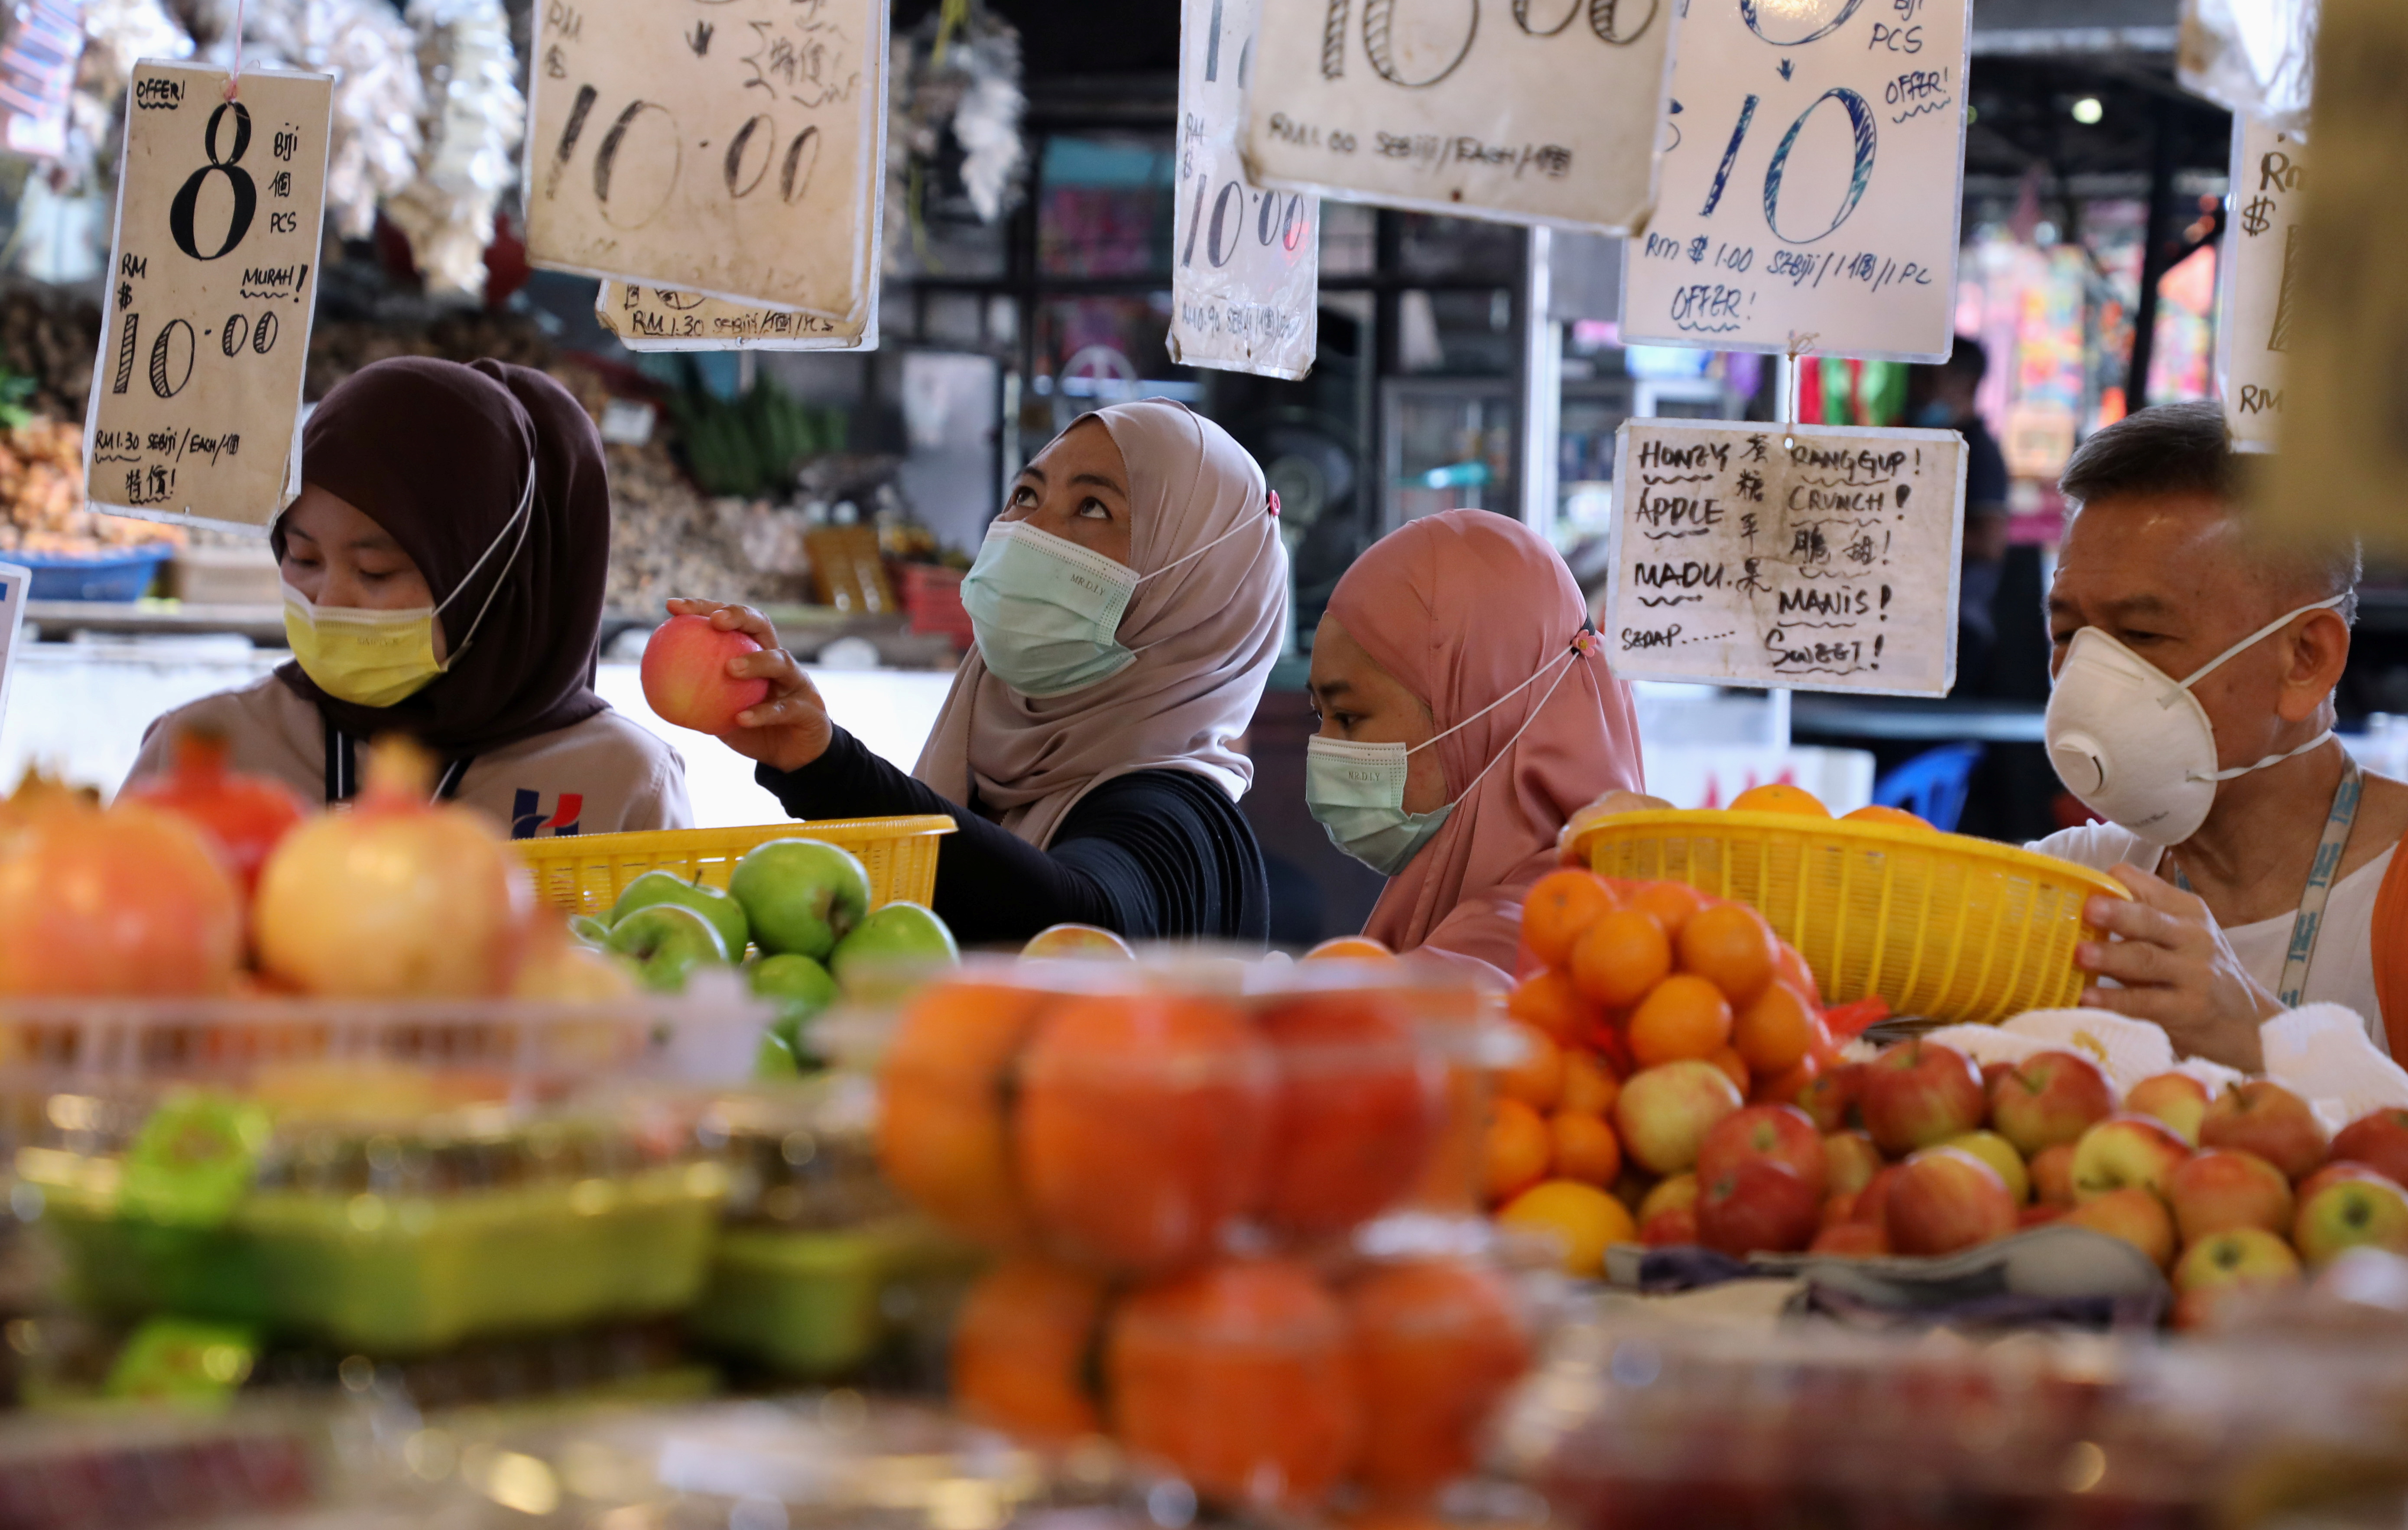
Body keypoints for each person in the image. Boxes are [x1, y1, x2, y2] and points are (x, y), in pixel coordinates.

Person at [2028, 402, 2408, 1181]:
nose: (2085, 680)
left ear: (2306, 658)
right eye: (2069, 635)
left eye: (2140, 637)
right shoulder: (2079, 882)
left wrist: (2264, 1045)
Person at [684, 400, 1284, 944]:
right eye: (1025, 495)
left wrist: (834, 770)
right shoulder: (983, 770)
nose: (1029, 531)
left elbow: (1077, 928)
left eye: (1093, 507)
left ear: (1199, 586)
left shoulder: (1183, 823)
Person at [123, 356, 689, 832]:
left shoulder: (621, 782)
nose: (329, 599)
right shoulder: (203, 749)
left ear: (488, 581)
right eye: (303, 559)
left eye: (375, 571)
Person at [1306, 509, 1644, 973]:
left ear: (1479, 710)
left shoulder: (1547, 926)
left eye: (1348, 716)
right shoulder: (1451, 894)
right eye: (1318, 715)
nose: (1324, 749)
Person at [1905, 336, 2011, 689]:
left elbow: (1989, 542)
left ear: (1965, 384)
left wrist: (1901, 537)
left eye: (1928, 379)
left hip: (1954, 630)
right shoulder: (1932, 443)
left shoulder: (1977, 451)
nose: (1917, 391)